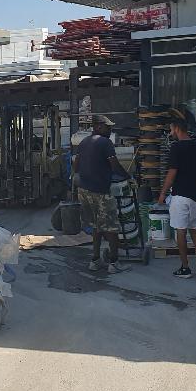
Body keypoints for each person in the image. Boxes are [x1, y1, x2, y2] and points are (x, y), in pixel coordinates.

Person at [73, 115, 131, 274]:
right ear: (98, 126)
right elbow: (115, 165)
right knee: (111, 227)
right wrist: (128, 176)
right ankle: (114, 262)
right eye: (108, 127)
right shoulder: (105, 143)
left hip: (84, 190)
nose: (110, 129)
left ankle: (95, 260)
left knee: (96, 226)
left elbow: (76, 165)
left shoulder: (84, 142)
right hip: (100, 191)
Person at [157, 118, 196, 279]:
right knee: (194, 227)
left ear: (177, 129)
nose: (170, 133)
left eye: (171, 130)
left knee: (180, 231)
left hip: (180, 195)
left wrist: (163, 193)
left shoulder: (176, 147)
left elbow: (172, 173)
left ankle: (185, 267)